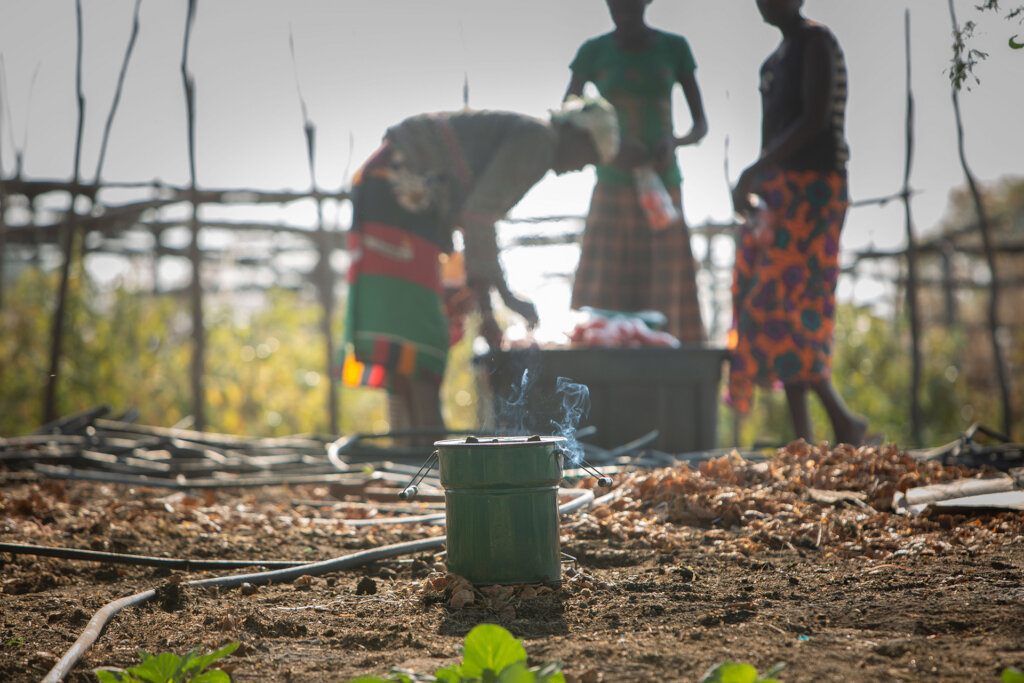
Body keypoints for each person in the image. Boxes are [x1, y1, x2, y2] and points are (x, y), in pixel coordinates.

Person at [340, 98, 619, 437]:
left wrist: (498, 298)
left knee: (410, 334)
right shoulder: (541, 142)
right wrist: (494, 306)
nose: (580, 167)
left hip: (387, 184)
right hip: (400, 185)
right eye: (588, 157)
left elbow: (473, 216)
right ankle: (430, 455)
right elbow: (479, 218)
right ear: (577, 135)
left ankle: (412, 450)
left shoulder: (532, 139)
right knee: (423, 334)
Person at [729, 0, 868, 445]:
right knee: (775, 307)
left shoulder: (816, 42)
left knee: (796, 304)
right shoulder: (773, 63)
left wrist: (755, 171)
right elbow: (774, 136)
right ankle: (811, 435)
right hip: (781, 192)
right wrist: (757, 185)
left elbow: (814, 119)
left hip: (815, 191)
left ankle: (837, 425)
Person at [565, 0, 708, 343]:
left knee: (664, 293)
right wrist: (611, 148)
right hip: (612, 186)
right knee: (603, 295)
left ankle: (670, 366)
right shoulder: (593, 52)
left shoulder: (674, 48)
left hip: (661, 192)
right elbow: (567, 116)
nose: (623, 12)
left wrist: (674, 141)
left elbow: (700, 125)